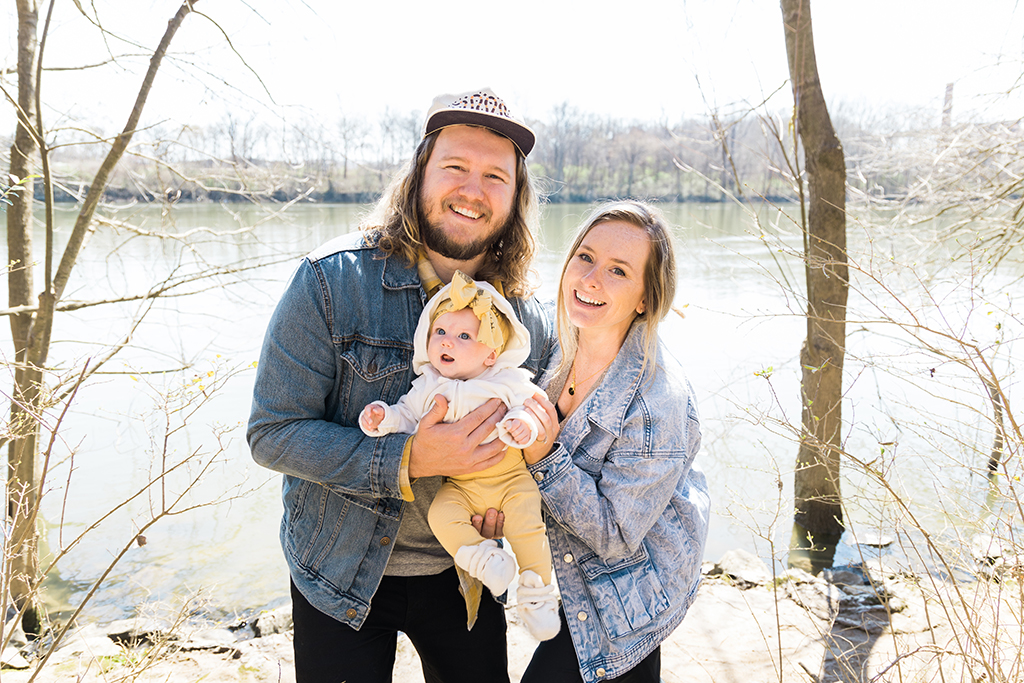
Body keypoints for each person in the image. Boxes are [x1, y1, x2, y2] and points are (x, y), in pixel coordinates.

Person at [247, 88, 554, 683]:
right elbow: (272, 433)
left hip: (468, 572)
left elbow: (544, 444)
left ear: (516, 198)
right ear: (419, 176)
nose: (473, 189)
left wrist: (530, 451)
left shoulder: (527, 319)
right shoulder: (330, 283)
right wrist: (407, 457)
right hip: (338, 569)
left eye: (497, 176)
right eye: (456, 167)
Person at [516, 200, 710, 683]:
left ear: (646, 298)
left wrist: (544, 457)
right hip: (571, 580)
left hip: (629, 602)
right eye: (585, 257)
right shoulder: (555, 348)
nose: (591, 279)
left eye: (619, 270)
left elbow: (616, 535)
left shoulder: (657, 404)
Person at [359, 270, 559, 641]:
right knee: (441, 514)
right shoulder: (429, 386)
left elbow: (533, 408)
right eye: (441, 333)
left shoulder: (508, 380)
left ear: (491, 353)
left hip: (512, 481)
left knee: (527, 526)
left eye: (464, 336)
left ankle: (537, 594)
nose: (447, 342)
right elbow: (406, 414)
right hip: (462, 488)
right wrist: (383, 417)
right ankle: (483, 558)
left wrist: (523, 426)